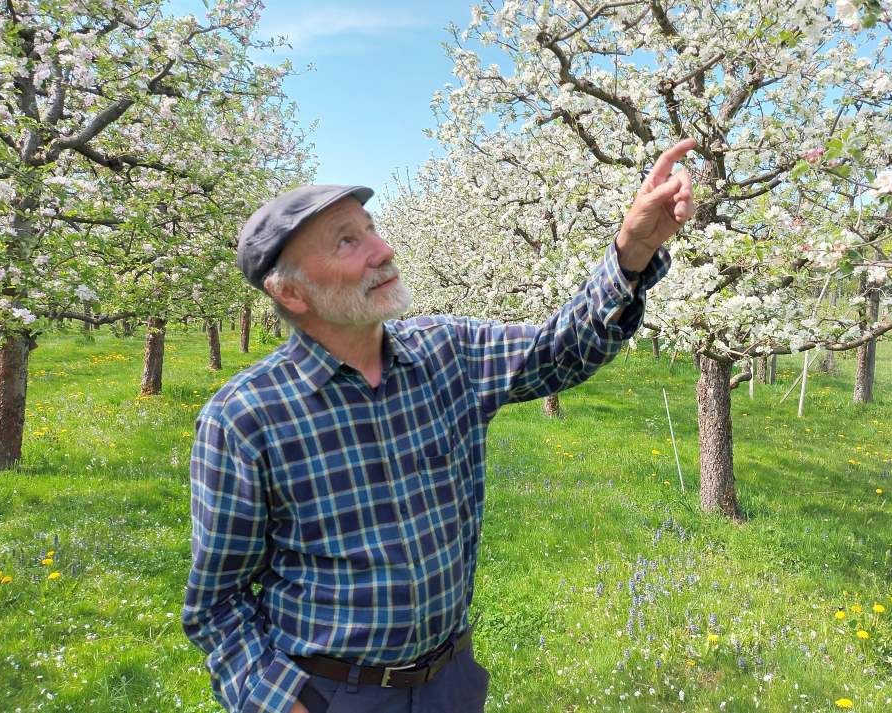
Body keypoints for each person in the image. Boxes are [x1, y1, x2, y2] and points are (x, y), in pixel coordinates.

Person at [182, 139, 697, 713]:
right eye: (347, 242)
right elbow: (218, 603)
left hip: (450, 682)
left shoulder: (446, 350)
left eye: (371, 229)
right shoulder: (246, 417)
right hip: (331, 695)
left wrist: (631, 253)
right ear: (290, 291)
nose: (383, 251)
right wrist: (276, 701)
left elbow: (561, 351)